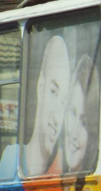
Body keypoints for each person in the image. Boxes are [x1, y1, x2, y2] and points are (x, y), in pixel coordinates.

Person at [21, 33, 72, 177]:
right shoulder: (11, 160)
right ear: (40, 87)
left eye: (63, 103)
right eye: (53, 92)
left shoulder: (64, 170)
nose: (57, 118)